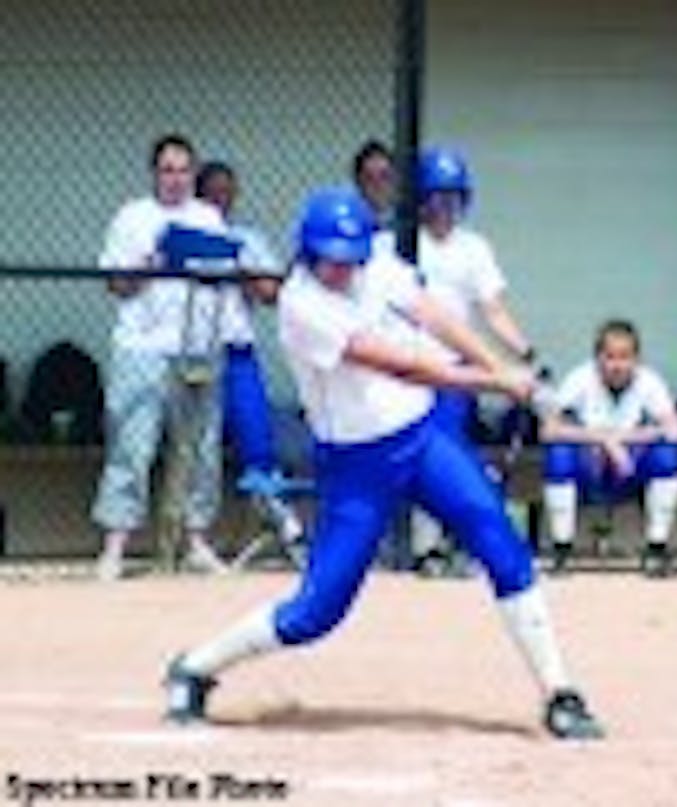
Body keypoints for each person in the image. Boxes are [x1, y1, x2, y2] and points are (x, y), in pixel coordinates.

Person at [164, 186, 603, 740]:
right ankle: (196, 667)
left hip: (422, 437)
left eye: (351, 259)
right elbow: (404, 366)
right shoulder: (302, 307)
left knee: (497, 537)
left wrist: (507, 369)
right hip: (356, 464)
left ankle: (559, 692)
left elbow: (435, 316)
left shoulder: (376, 264)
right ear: (308, 252)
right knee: (316, 612)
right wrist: (500, 382)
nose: (343, 270)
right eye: (331, 259)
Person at [92, 134, 233, 581]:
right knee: (132, 445)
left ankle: (195, 540)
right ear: (154, 174)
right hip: (143, 347)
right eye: (167, 170)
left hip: (196, 344)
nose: (176, 179)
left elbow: (225, 274)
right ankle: (116, 544)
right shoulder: (132, 217)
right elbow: (116, 283)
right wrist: (150, 263)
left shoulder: (208, 218)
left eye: (183, 170)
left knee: (200, 448)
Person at [407, 147, 539, 576]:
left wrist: (525, 353)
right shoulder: (401, 243)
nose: (444, 207)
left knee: (447, 453)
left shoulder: (473, 248)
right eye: (435, 197)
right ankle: (423, 549)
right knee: (412, 455)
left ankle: (446, 545)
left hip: (454, 369)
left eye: (453, 197)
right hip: (406, 367)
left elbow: (493, 310)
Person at [195, 162, 304, 547]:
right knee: (198, 444)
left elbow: (272, 294)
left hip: (236, 348)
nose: (220, 200)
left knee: (255, 431)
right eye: (212, 192)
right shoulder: (185, 236)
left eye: (227, 192)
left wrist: (242, 269)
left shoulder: (246, 238)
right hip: (193, 352)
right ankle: (194, 536)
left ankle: (277, 513)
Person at [541, 320, 677, 576]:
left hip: (630, 465)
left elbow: (674, 430)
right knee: (559, 457)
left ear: (636, 359)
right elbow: (548, 429)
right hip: (590, 464)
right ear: (598, 358)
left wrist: (622, 440)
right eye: (610, 357)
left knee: (667, 458)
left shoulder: (649, 381)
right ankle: (561, 549)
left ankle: (656, 548)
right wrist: (603, 440)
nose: (617, 365)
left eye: (625, 357)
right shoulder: (580, 378)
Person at [351, 139, 396, 228]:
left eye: (384, 176)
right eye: (369, 178)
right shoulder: (353, 223)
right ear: (359, 183)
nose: (378, 185)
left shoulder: (409, 220)